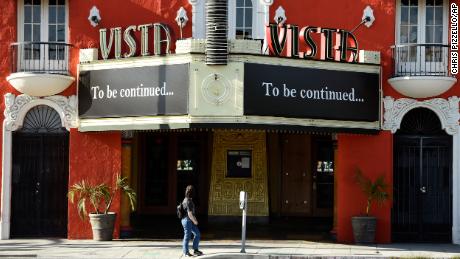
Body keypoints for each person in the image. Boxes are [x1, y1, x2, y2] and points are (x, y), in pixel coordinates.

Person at [181, 185, 203, 257]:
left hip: (189, 220)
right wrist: (195, 221)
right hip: (187, 221)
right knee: (187, 237)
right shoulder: (188, 201)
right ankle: (186, 252)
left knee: (197, 234)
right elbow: (189, 214)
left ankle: (195, 250)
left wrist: (194, 219)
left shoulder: (186, 199)